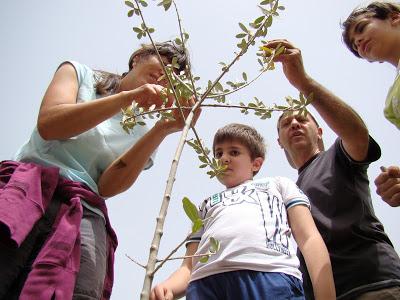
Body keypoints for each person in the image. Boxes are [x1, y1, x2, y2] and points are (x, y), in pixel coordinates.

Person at [0, 41, 197, 300]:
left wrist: (163, 129)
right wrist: (128, 98)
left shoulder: (145, 129)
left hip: (84, 212)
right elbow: (50, 125)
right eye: (166, 63)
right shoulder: (78, 74)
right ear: (137, 58)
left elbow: (107, 187)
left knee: (77, 291)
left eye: (175, 77)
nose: (166, 76)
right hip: (27, 191)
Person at [267, 38, 400, 299]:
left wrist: (303, 83)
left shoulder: (338, 156)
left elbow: (356, 134)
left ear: (319, 131)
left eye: (302, 118)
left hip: (374, 285)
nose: (294, 123)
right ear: (279, 141)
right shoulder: (285, 191)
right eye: (286, 123)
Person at [150, 123, 335, 300]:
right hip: (205, 285)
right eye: (218, 153)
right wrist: (169, 287)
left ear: (256, 164)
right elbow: (188, 266)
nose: (224, 158)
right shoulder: (205, 205)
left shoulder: (278, 185)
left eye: (234, 152)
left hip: (269, 275)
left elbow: (309, 238)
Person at [341, 1, 400, 206]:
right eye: (355, 46)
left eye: (362, 28)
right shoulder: (392, 104)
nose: (358, 41)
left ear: (394, 17)